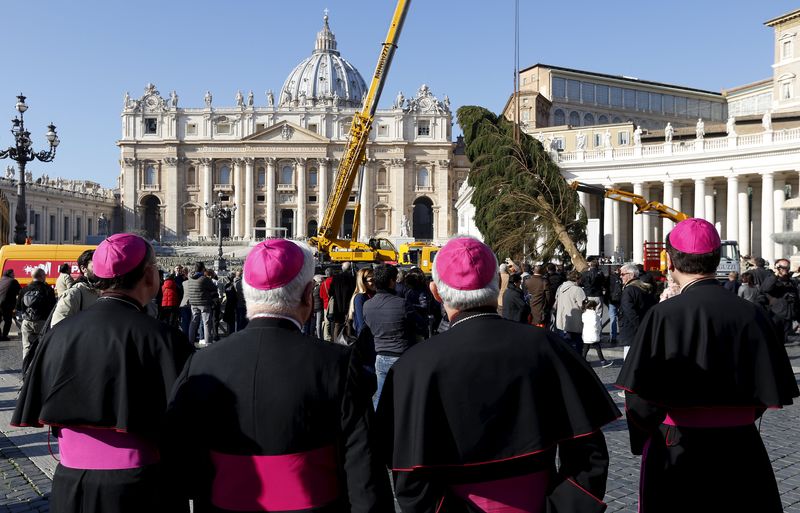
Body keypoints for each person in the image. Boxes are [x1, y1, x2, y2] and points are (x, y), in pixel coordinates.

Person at [377, 237, 620, 512]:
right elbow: (589, 453)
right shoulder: (548, 347)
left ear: (435, 292)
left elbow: (410, 479)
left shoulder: (412, 367)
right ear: (498, 287)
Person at [165, 239, 393, 512]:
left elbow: (178, 463)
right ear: (308, 294)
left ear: (247, 294)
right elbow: (364, 469)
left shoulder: (200, 363)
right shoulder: (340, 363)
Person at [616, 218, 799, 513]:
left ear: (671, 260)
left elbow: (639, 397)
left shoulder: (663, 315)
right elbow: (766, 385)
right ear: (716, 258)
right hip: (741, 445)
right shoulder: (752, 313)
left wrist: (649, 434)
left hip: (678, 446)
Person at [12, 233, 193, 513]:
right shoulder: (164, 339)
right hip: (141, 486)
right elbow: (184, 426)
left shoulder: (57, 335)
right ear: (148, 275)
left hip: (69, 484)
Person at [363, 264, 414, 409]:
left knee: (380, 396)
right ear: (392, 281)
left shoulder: (367, 305)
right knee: (404, 399)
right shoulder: (402, 304)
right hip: (402, 355)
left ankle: (377, 428)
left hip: (381, 355)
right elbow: (419, 324)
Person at [17, 268, 56, 373]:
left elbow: (18, 308)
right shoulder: (47, 289)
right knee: (41, 347)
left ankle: (25, 370)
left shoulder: (24, 289)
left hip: (26, 322)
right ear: (42, 276)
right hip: (42, 322)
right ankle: (38, 370)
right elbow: (53, 307)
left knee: (26, 347)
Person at [49, 249, 100, 329]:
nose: (101, 269)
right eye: (96, 266)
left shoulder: (104, 290)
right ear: (83, 269)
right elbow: (57, 328)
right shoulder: (74, 294)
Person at [618, 263, 656, 360]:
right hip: (642, 326)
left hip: (631, 329)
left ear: (631, 275)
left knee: (629, 360)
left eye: (622, 274)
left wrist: (640, 326)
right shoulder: (643, 287)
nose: (620, 276)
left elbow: (629, 311)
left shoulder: (629, 290)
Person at [760, 258, 799, 344]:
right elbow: (765, 289)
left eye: (787, 267)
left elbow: (797, 300)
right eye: (783, 267)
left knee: (784, 342)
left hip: (788, 316)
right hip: (775, 315)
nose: (786, 269)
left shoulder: (791, 282)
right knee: (774, 341)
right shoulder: (771, 279)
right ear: (777, 267)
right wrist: (776, 274)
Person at [185, 262, 217, 347]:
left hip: (193, 303)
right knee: (206, 323)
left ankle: (190, 342)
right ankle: (208, 343)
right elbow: (214, 287)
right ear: (202, 269)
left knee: (193, 322)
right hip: (204, 302)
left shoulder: (190, 277)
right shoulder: (204, 279)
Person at [554, 270, 586, 354]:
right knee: (578, 342)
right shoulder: (577, 290)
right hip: (576, 321)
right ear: (577, 279)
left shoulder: (561, 287)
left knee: (567, 341)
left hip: (564, 319)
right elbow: (582, 305)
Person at [582, 299, 611, 366]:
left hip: (586, 335)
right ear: (592, 307)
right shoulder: (595, 315)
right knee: (598, 348)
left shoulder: (584, 314)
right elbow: (598, 326)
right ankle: (603, 361)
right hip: (593, 334)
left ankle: (582, 361)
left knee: (585, 349)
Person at [348, 267, 375, 337]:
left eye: (375, 279)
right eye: (371, 280)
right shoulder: (360, 297)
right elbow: (362, 323)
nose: (374, 282)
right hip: (365, 338)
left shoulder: (372, 294)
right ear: (362, 281)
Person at [0, 270, 20, 341]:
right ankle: (4, 336)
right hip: (6, 304)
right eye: (13, 274)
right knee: (8, 321)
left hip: (1, 303)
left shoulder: (1, 280)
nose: (14, 275)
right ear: (10, 274)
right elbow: (20, 293)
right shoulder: (13, 281)